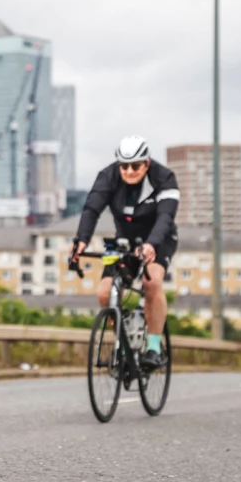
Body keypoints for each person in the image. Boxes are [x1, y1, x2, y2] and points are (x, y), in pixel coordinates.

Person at [70, 136, 179, 368]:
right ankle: (124, 342)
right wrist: (81, 241)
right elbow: (92, 209)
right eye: (124, 166)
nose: (129, 171)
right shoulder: (108, 176)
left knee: (152, 283)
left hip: (159, 239)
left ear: (146, 163)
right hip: (125, 242)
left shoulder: (164, 177)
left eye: (135, 166)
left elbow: (165, 217)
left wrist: (151, 244)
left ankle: (153, 347)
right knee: (104, 294)